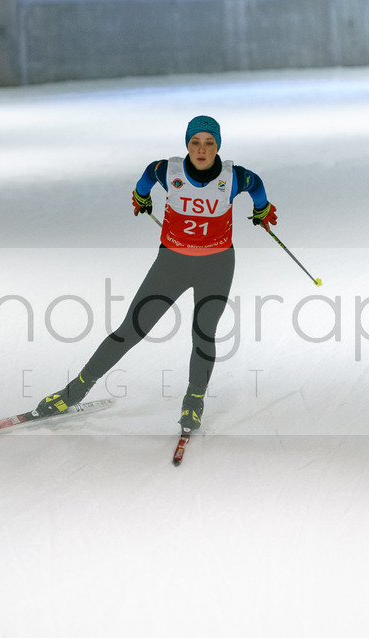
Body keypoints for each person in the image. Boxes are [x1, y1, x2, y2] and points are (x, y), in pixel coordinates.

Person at [33, 115, 277, 433]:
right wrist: (142, 196)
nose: (201, 150)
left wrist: (261, 209)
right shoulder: (167, 171)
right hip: (172, 263)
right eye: (195, 142)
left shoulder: (234, 177)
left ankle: (193, 403)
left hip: (217, 265)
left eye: (209, 143)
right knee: (132, 329)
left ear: (218, 146)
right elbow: (147, 177)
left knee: (203, 333)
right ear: (187, 144)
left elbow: (256, 185)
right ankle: (75, 391)